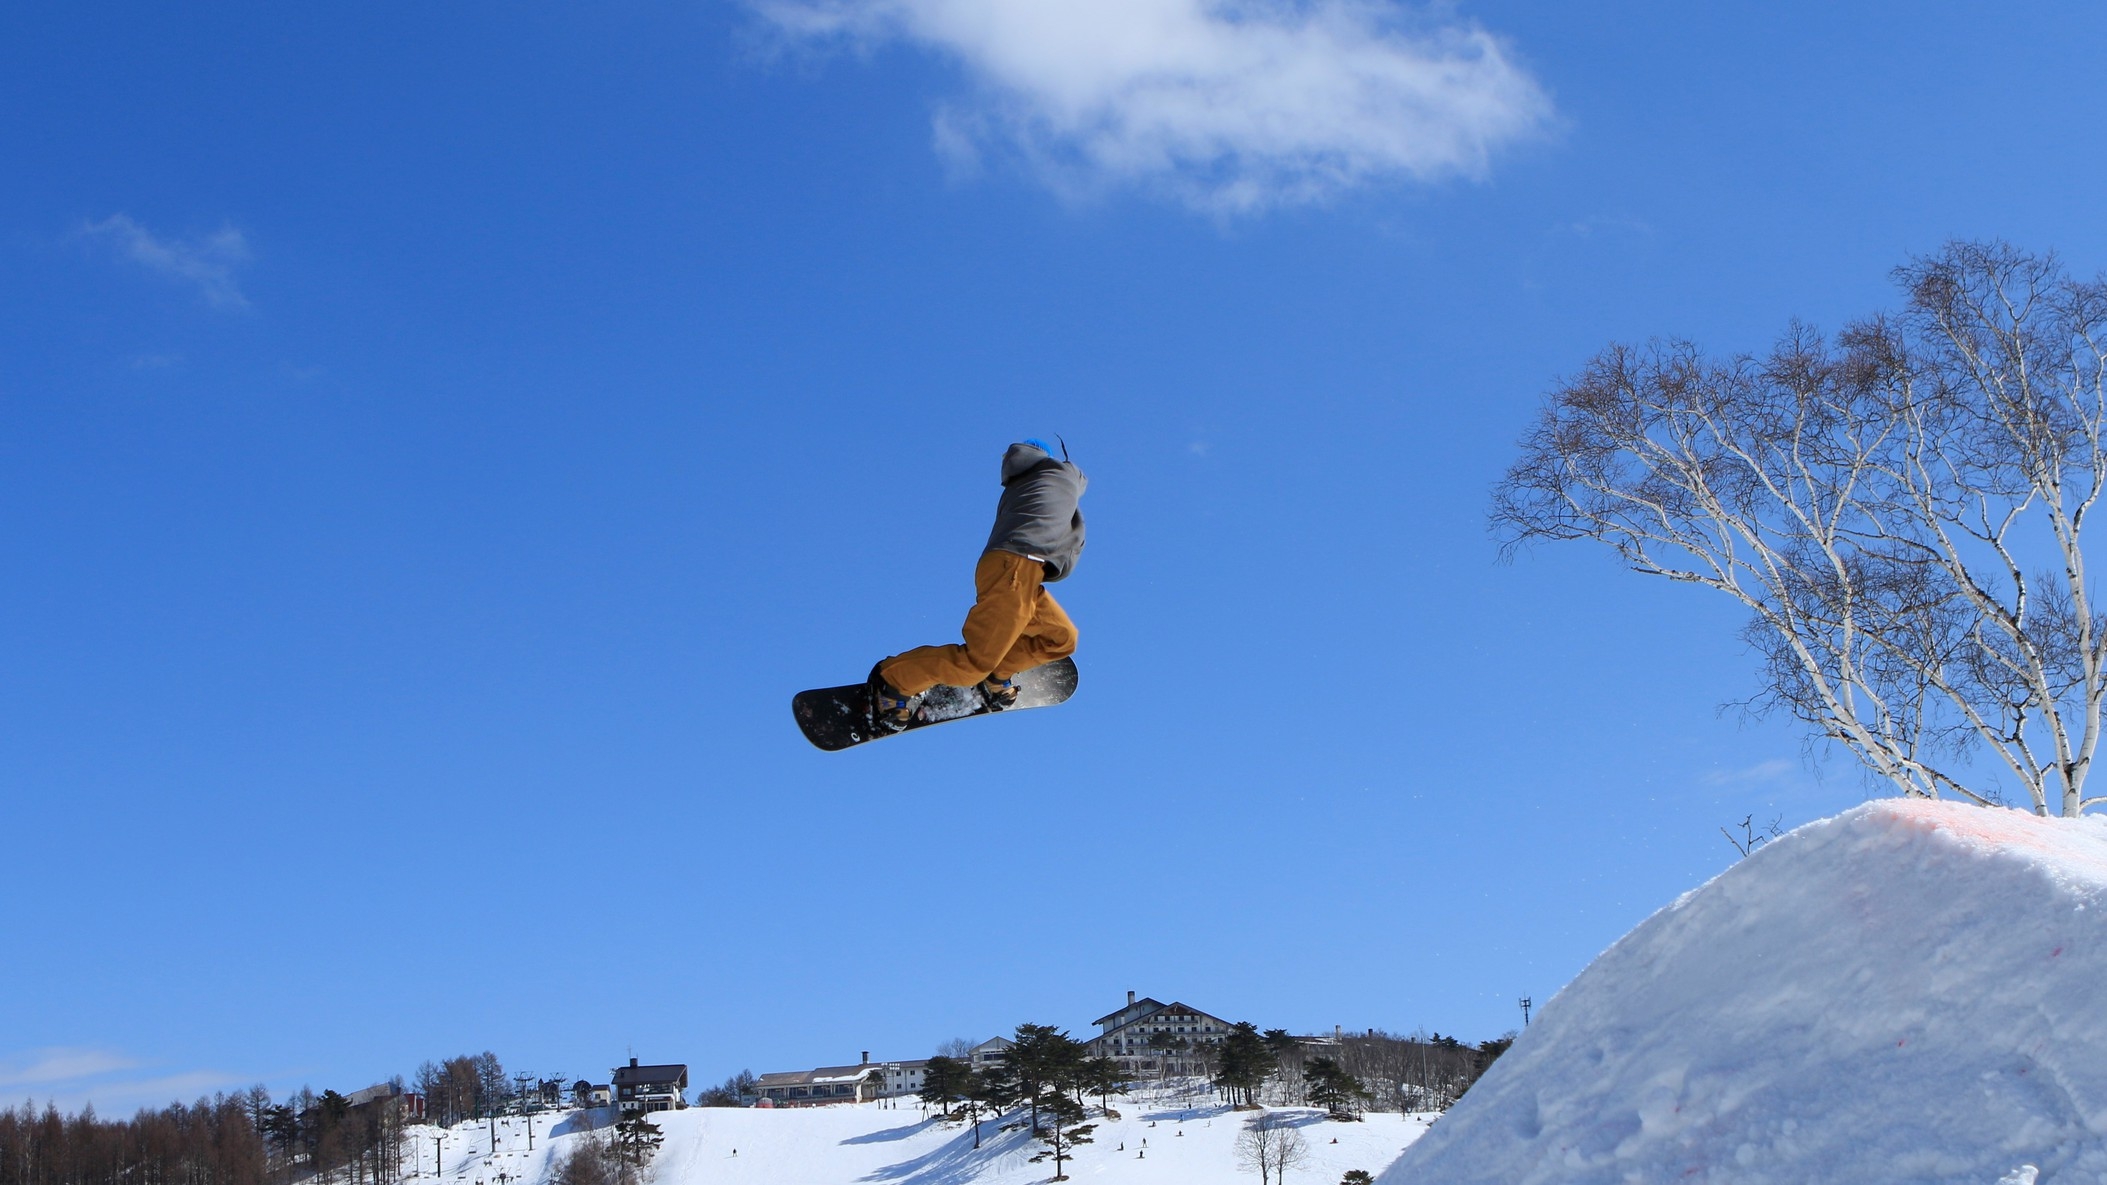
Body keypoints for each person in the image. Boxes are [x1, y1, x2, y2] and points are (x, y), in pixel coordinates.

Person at [869, 438, 1086, 730]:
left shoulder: (1021, 483)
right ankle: (894, 679)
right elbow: (1077, 479)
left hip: (1020, 569)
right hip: (1016, 567)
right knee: (974, 665)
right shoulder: (1059, 475)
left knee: (1061, 638)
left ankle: (997, 675)